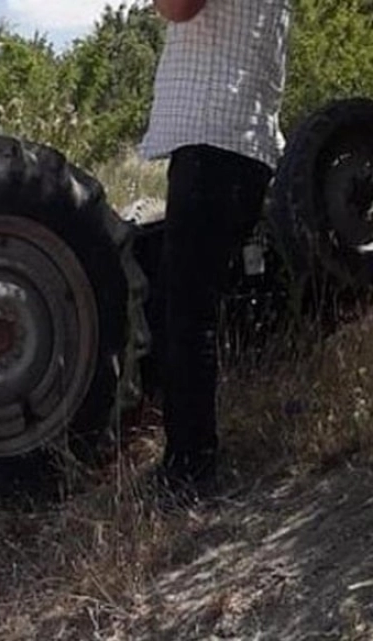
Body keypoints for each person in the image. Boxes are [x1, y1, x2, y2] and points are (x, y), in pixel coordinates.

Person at [138, 0, 292, 497]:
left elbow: (178, 8)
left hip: (213, 136)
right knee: (183, 302)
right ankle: (185, 453)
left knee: (186, 309)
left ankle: (191, 467)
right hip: (240, 140)